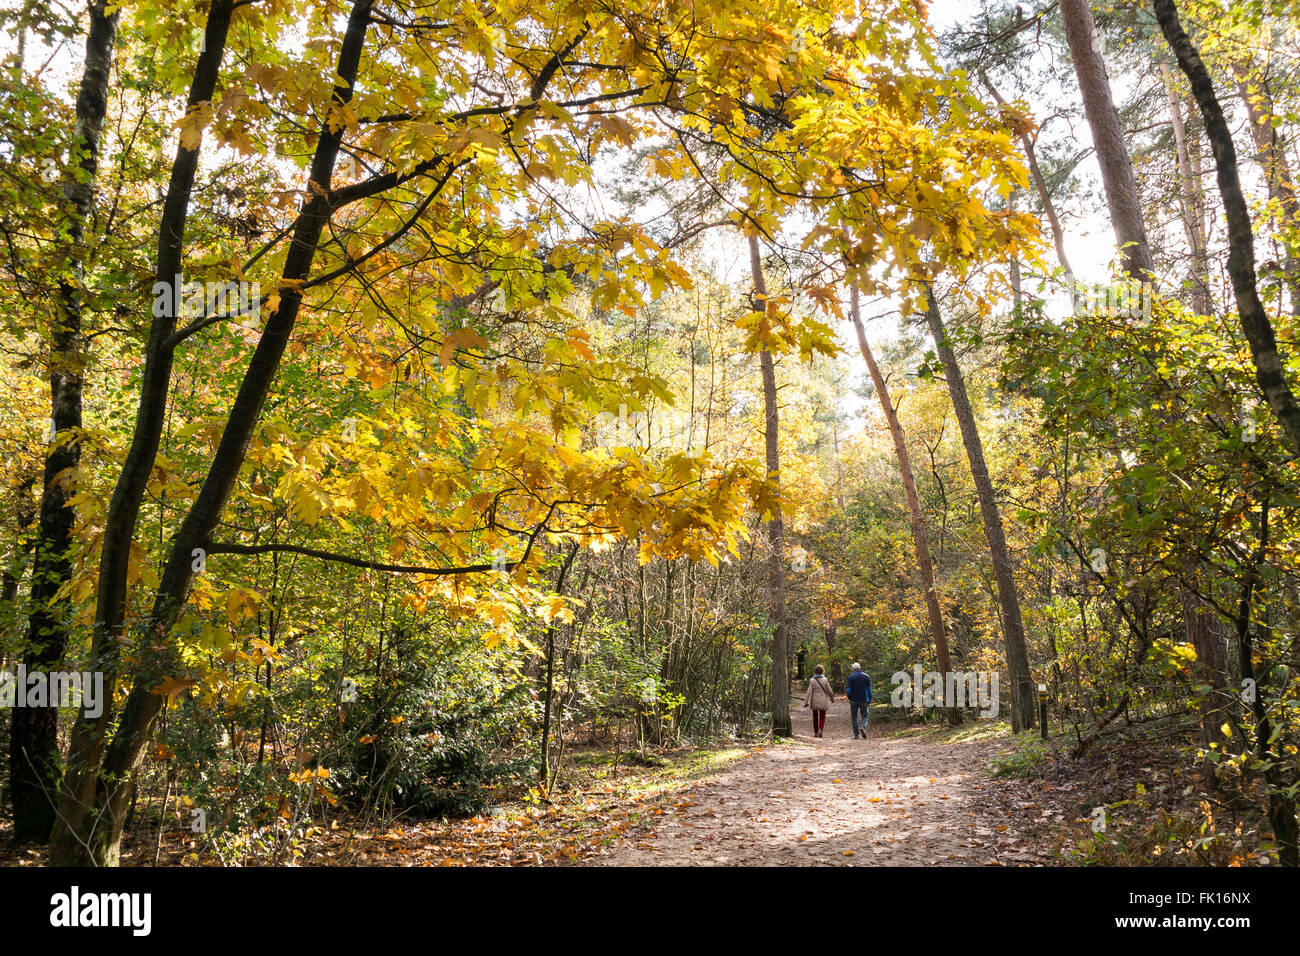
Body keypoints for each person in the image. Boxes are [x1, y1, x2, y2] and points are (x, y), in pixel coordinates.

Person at [803, 664, 833, 737]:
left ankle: (816, 733)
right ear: (823, 671)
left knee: (815, 717)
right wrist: (832, 699)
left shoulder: (812, 680)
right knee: (822, 716)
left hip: (814, 701)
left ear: (815, 671)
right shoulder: (825, 679)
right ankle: (820, 730)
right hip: (823, 701)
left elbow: (809, 692)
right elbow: (830, 690)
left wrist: (805, 702)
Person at [845, 662, 872, 739]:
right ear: (860, 668)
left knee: (854, 717)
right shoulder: (866, 676)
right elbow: (869, 689)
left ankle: (856, 735)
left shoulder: (850, 677)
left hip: (853, 699)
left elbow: (848, 689)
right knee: (865, 715)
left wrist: (849, 697)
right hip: (863, 699)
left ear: (853, 669)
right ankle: (863, 727)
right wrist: (869, 698)